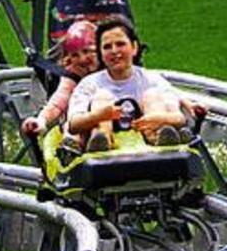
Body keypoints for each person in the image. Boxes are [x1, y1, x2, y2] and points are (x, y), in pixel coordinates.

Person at [67, 16, 188, 152]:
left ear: (134, 48)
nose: (114, 51)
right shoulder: (89, 84)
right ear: (100, 54)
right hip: (105, 147)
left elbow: (179, 118)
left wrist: (158, 118)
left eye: (120, 44)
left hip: (147, 139)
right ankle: (101, 139)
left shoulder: (151, 80)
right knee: (102, 97)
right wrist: (99, 116)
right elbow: (73, 124)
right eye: (107, 47)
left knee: (151, 95)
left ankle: (159, 137)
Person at [22, 20, 98, 140]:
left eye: (87, 51)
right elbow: (57, 103)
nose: (82, 59)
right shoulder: (73, 76)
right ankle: (72, 144)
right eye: (75, 55)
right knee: (72, 124)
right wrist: (41, 120)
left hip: (113, 124)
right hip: (78, 127)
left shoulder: (112, 72)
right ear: (68, 58)